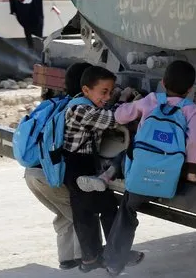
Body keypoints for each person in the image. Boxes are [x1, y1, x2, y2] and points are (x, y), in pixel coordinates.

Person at [102, 60, 196, 276]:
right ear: (190, 89)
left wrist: (122, 105)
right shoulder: (191, 110)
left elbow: (121, 116)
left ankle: (114, 261)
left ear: (163, 82)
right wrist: (192, 171)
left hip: (140, 176)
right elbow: (194, 141)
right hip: (170, 179)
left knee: (128, 210)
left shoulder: (150, 101)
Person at [62, 66, 144, 272]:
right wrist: (132, 104)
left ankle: (90, 259)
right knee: (107, 207)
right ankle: (117, 254)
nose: (107, 97)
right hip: (77, 167)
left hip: (80, 166)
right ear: (86, 90)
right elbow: (111, 119)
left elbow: (105, 110)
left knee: (84, 212)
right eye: (104, 92)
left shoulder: (85, 103)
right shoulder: (81, 110)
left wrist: (116, 98)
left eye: (110, 91)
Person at [22, 61, 91, 270]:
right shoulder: (79, 109)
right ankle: (87, 257)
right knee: (80, 211)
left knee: (65, 213)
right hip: (48, 174)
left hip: (33, 173)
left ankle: (67, 259)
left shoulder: (58, 103)